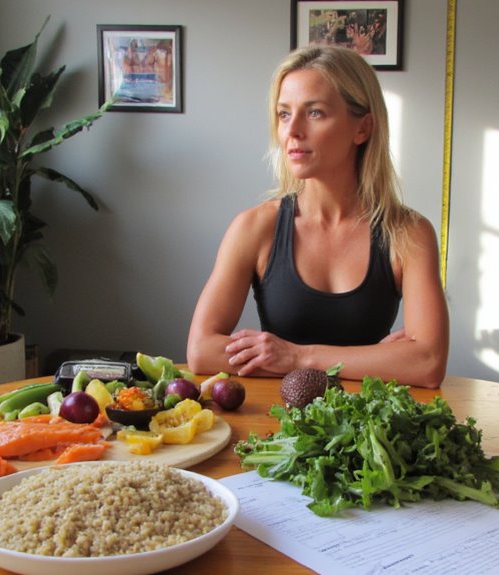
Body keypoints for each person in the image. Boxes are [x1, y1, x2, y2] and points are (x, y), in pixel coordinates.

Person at [186, 45, 449, 388]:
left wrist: (298, 357)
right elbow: (202, 351)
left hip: (365, 419)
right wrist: (376, 360)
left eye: (314, 113)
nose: (292, 130)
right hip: (274, 418)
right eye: (284, 114)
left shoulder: (409, 233)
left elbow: (427, 363)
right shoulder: (255, 227)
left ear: (363, 128)